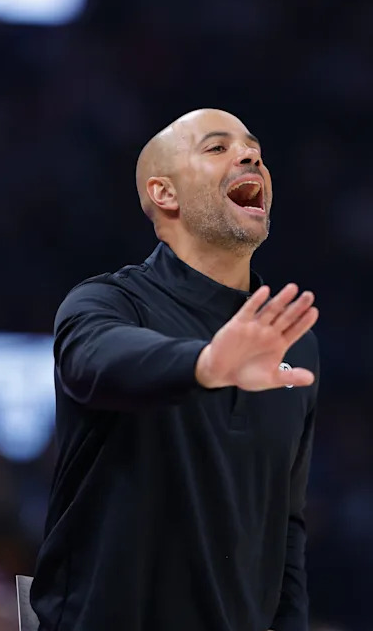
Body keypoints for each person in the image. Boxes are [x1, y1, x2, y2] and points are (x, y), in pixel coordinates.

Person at [30, 108, 320, 631]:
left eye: (253, 147)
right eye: (217, 148)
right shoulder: (106, 302)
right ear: (165, 194)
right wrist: (205, 363)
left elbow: (285, 528)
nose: (250, 154)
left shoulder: (292, 340)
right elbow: (96, 360)